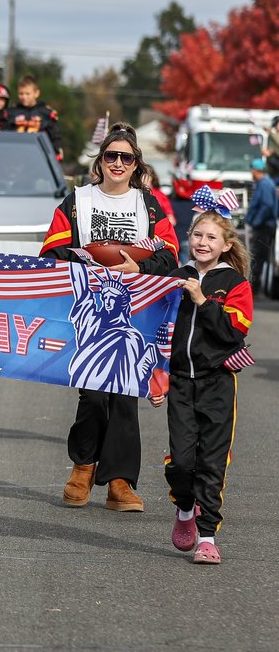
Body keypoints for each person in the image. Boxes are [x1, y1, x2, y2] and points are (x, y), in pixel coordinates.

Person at [40, 122, 179, 512]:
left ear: (136, 164)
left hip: (137, 309)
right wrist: (85, 260)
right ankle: (83, 466)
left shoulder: (149, 205)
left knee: (125, 392)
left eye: (126, 158)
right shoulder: (76, 201)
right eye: (111, 156)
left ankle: (120, 481)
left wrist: (140, 267)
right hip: (89, 307)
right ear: (100, 161)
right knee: (94, 389)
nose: (118, 163)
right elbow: (50, 253)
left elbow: (170, 254)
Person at [149, 210, 253, 565]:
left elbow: (234, 332)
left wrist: (203, 302)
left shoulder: (235, 284)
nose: (202, 242)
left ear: (226, 246)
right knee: (181, 462)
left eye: (211, 238)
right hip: (180, 382)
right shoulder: (177, 277)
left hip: (218, 383)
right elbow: (154, 331)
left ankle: (207, 537)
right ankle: (184, 507)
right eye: (197, 235)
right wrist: (156, 378)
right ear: (188, 238)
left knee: (211, 461)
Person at [7, 75, 62, 159]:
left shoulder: (46, 113)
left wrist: (54, 155)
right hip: (16, 156)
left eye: (27, 94)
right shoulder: (12, 112)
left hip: (39, 157)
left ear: (36, 93)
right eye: (21, 94)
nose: (24, 97)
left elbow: (55, 138)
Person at [246, 158, 278, 295]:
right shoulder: (263, 183)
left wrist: (256, 221)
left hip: (264, 227)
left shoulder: (265, 184)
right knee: (258, 257)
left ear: (255, 170)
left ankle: (253, 290)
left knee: (257, 257)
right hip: (263, 226)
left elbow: (267, 205)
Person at [142, 163, 176, 228]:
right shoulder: (133, 194)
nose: (142, 178)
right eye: (139, 175)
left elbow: (171, 220)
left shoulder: (160, 195)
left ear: (151, 177)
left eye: (145, 175)